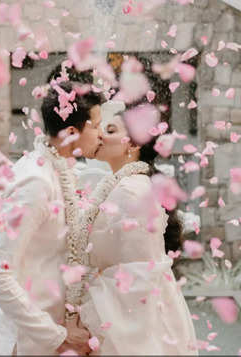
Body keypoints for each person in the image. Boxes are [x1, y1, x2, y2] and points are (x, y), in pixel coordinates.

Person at [0, 82, 102, 355]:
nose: (101, 134)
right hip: (25, 343)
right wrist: (57, 336)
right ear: (71, 133)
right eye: (95, 126)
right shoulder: (34, 181)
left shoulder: (61, 172)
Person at [65, 100, 198, 355]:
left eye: (112, 130)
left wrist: (85, 313)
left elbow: (137, 274)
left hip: (132, 324)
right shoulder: (122, 185)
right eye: (102, 128)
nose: (100, 135)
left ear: (134, 144)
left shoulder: (131, 191)